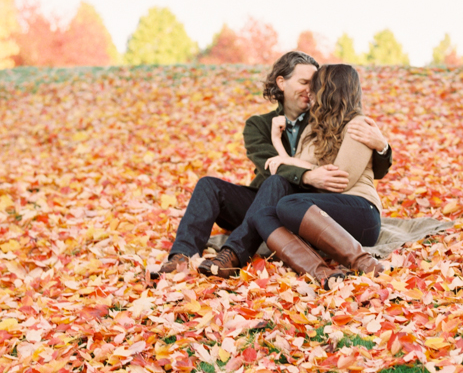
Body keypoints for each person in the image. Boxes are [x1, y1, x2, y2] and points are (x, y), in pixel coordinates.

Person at [154, 51, 393, 279]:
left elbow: (369, 169)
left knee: (279, 186)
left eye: (315, 83)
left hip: (305, 204)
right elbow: (271, 165)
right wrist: (308, 174)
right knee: (210, 185)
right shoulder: (258, 125)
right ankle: (181, 256)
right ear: (282, 83)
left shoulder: (324, 117)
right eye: (304, 82)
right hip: (271, 198)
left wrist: (382, 145)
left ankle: (233, 254)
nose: (310, 89)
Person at [246, 63, 386, 286]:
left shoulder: (359, 126)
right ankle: (323, 275)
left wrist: (292, 162)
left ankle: (366, 263)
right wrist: (277, 142)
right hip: (320, 215)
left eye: (315, 86)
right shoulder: (311, 130)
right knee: (262, 215)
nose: (308, 91)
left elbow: (339, 181)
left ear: (330, 91)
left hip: (360, 212)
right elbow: (296, 173)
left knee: (289, 204)